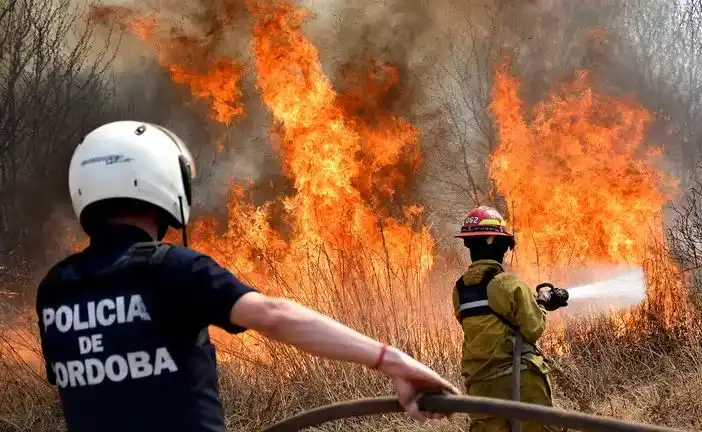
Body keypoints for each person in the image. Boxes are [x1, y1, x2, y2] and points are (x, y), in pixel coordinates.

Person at [35, 120, 459, 432]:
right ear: (164, 182)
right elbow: (275, 316)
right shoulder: (174, 270)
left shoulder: (55, 290)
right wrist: (395, 362)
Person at [452, 206, 568, 432]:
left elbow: (484, 323)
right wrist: (542, 303)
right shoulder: (508, 284)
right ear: (494, 242)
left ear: (468, 244)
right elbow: (533, 328)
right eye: (505, 244)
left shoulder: (459, 289)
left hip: (480, 386)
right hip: (519, 380)